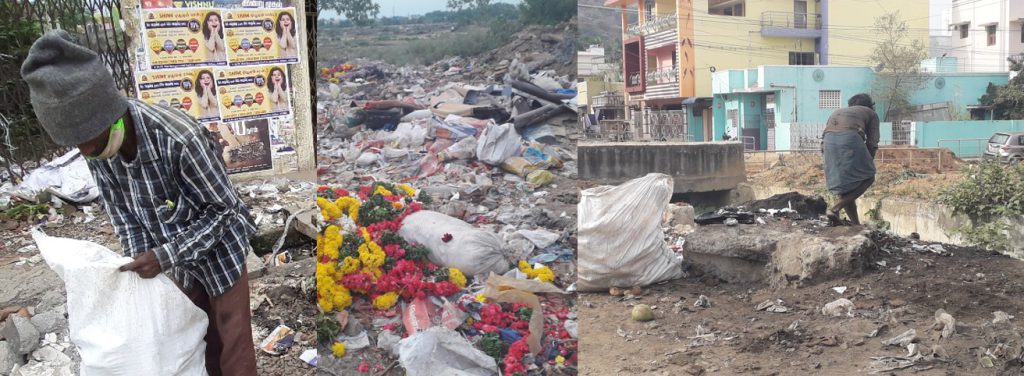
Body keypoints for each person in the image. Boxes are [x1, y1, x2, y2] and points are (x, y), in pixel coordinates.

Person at [21, 30, 258, 376]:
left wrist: (163, 256)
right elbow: (121, 212)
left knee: (234, 350)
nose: (88, 152)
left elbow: (224, 210)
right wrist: (143, 261)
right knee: (198, 341)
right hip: (175, 263)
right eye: (80, 145)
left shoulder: (179, 139)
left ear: (110, 115)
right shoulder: (96, 147)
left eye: (93, 141)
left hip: (220, 253)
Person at [822, 93, 879, 226]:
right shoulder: (871, 113)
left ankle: (855, 225)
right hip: (849, 138)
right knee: (869, 177)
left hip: (827, 142)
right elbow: (872, 143)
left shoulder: (837, 111)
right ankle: (836, 207)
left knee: (845, 189)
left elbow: (829, 131)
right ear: (870, 105)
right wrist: (868, 162)